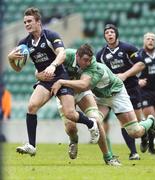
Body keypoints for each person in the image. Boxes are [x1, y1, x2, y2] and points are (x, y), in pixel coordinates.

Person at [7, 7, 99, 156]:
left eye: (30, 21)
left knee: (70, 114)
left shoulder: (50, 35)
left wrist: (53, 65)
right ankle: (31, 145)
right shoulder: (24, 43)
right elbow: (18, 69)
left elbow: (62, 54)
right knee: (31, 106)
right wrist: (11, 60)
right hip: (45, 80)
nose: (27, 24)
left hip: (60, 77)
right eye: (25, 22)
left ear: (38, 22)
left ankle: (91, 123)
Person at [50, 44, 155, 159]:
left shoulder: (93, 67)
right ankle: (109, 156)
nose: (88, 63)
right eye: (85, 60)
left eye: (89, 60)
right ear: (77, 57)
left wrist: (61, 82)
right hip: (100, 98)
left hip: (116, 93)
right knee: (97, 122)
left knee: (135, 132)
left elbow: (84, 85)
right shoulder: (69, 57)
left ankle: (150, 121)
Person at [96, 24, 147, 160]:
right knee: (124, 122)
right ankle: (133, 152)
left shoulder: (128, 48)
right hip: (116, 91)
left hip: (131, 88)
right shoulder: (101, 54)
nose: (109, 34)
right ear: (104, 36)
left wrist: (125, 74)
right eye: (107, 32)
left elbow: (141, 64)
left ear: (116, 34)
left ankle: (146, 132)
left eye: (112, 32)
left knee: (137, 120)